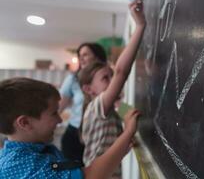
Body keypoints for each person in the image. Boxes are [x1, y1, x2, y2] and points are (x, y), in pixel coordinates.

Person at [0, 77, 140, 179]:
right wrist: (128, 133)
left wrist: (123, 144)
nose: (60, 119)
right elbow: (90, 176)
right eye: (54, 113)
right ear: (25, 123)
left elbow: (68, 170)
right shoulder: (22, 165)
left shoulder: (37, 150)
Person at [78, 0, 146, 178]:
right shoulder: (96, 107)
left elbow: (130, 113)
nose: (112, 81)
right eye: (105, 78)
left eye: (111, 75)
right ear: (89, 89)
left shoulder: (108, 108)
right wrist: (140, 25)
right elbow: (121, 72)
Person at [59, 42, 107, 163]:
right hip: (74, 134)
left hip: (100, 133)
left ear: (97, 56)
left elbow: (119, 103)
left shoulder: (109, 76)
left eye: (85, 54)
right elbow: (58, 106)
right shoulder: (73, 78)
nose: (81, 58)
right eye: (80, 55)